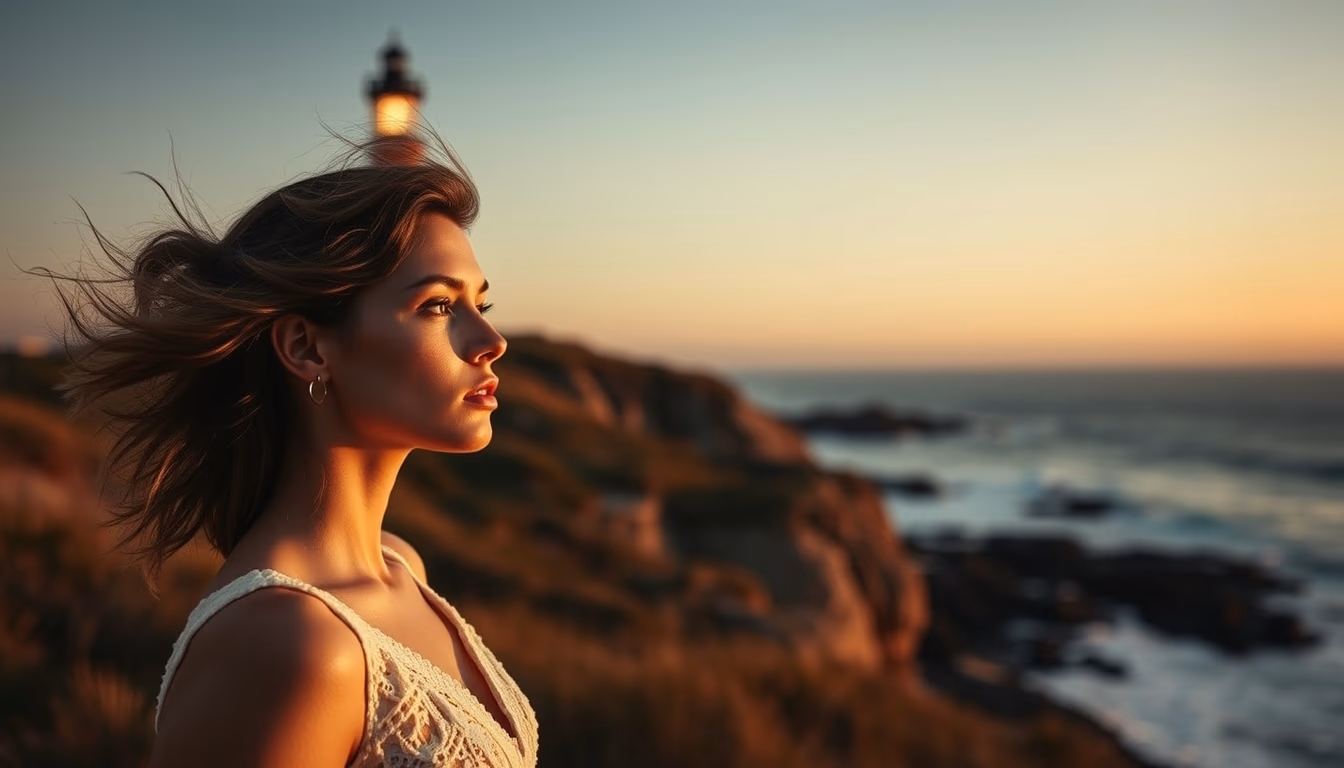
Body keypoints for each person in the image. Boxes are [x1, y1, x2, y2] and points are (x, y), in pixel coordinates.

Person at [43, 138, 540, 767]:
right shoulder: (286, 643)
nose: (490, 339)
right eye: (439, 305)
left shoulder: (400, 565)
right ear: (306, 347)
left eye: (480, 303)